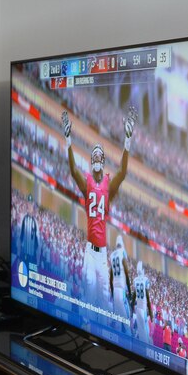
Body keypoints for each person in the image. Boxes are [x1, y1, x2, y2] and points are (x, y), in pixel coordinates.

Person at [62, 105, 136, 306]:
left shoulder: (108, 185)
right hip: (89, 251)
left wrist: (127, 143)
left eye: (98, 155)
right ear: (91, 160)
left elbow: (122, 172)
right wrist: (68, 141)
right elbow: (73, 170)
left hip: (103, 253)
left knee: (104, 299)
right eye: (93, 155)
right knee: (89, 295)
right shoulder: (86, 184)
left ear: (102, 160)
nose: (95, 157)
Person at [108, 234, 132, 330]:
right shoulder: (122, 252)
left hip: (115, 285)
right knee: (125, 316)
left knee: (117, 315)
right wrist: (129, 290)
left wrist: (112, 290)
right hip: (121, 286)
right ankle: (129, 335)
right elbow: (126, 272)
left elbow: (111, 275)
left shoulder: (112, 255)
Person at [131, 260, 153, 343]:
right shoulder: (145, 279)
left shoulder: (135, 280)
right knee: (144, 328)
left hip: (138, 306)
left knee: (140, 327)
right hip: (143, 305)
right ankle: (146, 345)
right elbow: (147, 293)